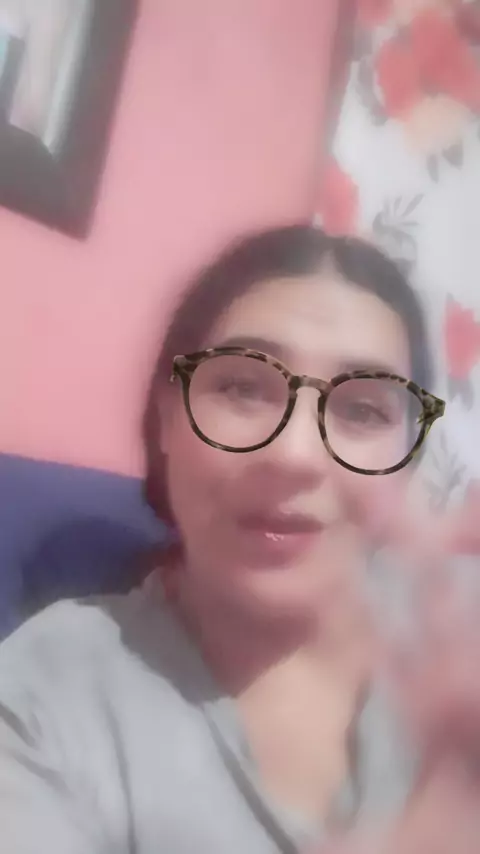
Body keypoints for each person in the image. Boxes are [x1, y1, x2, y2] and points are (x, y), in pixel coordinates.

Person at [0, 225, 479, 854]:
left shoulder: (461, 619)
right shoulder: (44, 696)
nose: (294, 454)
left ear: (407, 458)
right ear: (166, 417)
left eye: (363, 409)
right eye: (242, 387)